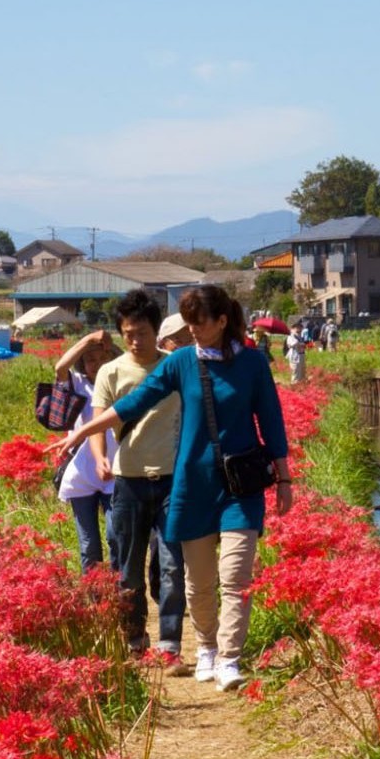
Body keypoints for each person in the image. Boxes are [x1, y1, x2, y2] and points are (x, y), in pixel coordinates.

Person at [53, 284, 293, 692]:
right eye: (188, 323)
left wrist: (284, 477)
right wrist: (83, 434)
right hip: (193, 485)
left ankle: (230, 658)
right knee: (198, 580)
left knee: (234, 574)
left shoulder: (252, 363)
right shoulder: (181, 362)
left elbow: (270, 420)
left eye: (199, 323)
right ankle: (206, 649)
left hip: (240, 486)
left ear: (221, 321)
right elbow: (135, 402)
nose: (192, 330)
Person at [92, 290, 189, 671]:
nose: (136, 340)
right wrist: (100, 456)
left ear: (157, 332)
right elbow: (101, 418)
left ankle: (170, 646)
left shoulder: (176, 367)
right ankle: (135, 641)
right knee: (127, 570)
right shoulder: (111, 371)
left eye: (143, 332)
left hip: (171, 482)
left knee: (170, 566)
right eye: (129, 333)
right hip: (128, 481)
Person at [54, 329, 119, 572]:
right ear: (83, 363)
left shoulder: (120, 383)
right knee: (89, 545)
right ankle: (95, 601)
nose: (97, 364)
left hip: (114, 469)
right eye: (90, 359)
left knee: (116, 536)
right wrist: (87, 341)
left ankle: (119, 592)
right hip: (82, 473)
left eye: (103, 358)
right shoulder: (78, 384)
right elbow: (60, 368)